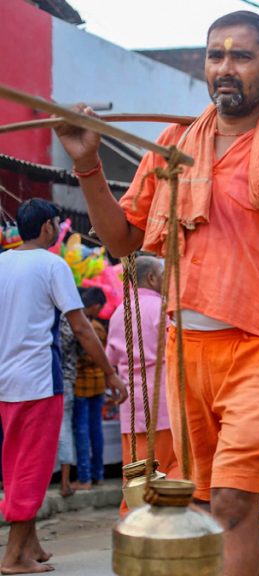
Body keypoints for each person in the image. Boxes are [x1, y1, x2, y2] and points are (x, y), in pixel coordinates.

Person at [53, 12, 259, 575]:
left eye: (242, 56)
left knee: (232, 503)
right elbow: (122, 239)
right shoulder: (174, 148)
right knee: (216, 508)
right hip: (187, 351)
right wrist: (87, 162)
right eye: (216, 56)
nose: (225, 68)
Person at [0, 198, 126, 575]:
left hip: (7, 380)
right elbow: (81, 326)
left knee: (15, 463)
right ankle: (15, 555)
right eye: (56, 223)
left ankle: (30, 543)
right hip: (39, 379)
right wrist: (109, 372)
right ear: (48, 228)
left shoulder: (3, 262)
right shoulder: (52, 264)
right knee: (33, 467)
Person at [106, 255, 180, 514]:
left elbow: (111, 359)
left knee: (135, 474)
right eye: (163, 276)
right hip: (163, 406)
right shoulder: (163, 308)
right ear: (151, 278)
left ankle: (133, 524)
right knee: (172, 467)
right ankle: (167, 526)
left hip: (131, 408)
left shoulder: (118, 312)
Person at [71, 286, 109, 491]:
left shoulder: (84, 327)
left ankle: (84, 478)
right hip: (98, 384)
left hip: (81, 385)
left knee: (82, 431)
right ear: (95, 306)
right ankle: (98, 474)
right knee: (95, 430)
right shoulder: (98, 328)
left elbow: (83, 358)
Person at [57, 316, 80, 498]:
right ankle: (64, 482)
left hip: (55, 380)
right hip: (64, 381)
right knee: (65, 432)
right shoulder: (70, 321)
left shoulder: (60, 320)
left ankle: (64, 482)